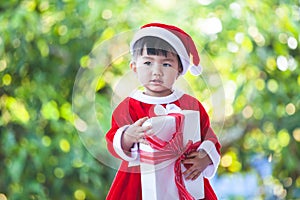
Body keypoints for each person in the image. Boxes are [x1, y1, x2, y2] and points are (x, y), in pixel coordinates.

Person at [105, 22, 221, 200]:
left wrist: (205, 158)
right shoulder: (128, 107)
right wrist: (128, 136)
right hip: (139, 182)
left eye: (166, 65)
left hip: (185, 178)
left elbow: (210, 137)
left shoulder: (191, 105)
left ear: (179, 70)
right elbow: (113, 139)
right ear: (134, 67)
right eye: (148, 63)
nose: (156, 71)